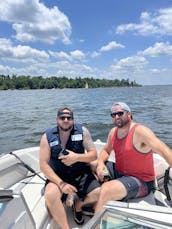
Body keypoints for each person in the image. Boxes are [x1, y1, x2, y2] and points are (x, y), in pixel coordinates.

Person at [95, 102, 172, 213]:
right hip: (120, 173)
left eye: (120, 113)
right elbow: (106, 151)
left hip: (142, 181)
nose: (116, 117)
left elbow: (164, 151)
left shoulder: (140, 132)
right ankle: (92, 197)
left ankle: (97, 219)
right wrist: (101, 164)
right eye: (113, 115)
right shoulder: (113, 132)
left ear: (129, 114)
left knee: (106, 190)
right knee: (93, 163)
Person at [40, 107, 100, 229]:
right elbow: (43, 165)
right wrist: (61, 184)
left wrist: (76, 157)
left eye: (69, 117)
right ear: (57, 119)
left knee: (99, 193)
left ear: (73, 119)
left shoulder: (83, 131)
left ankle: (77, 206)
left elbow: (94, 155)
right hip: (58, 175)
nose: (66, 120)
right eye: (62, 117)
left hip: (80, 173)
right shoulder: (47, 136)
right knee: (50, 195)